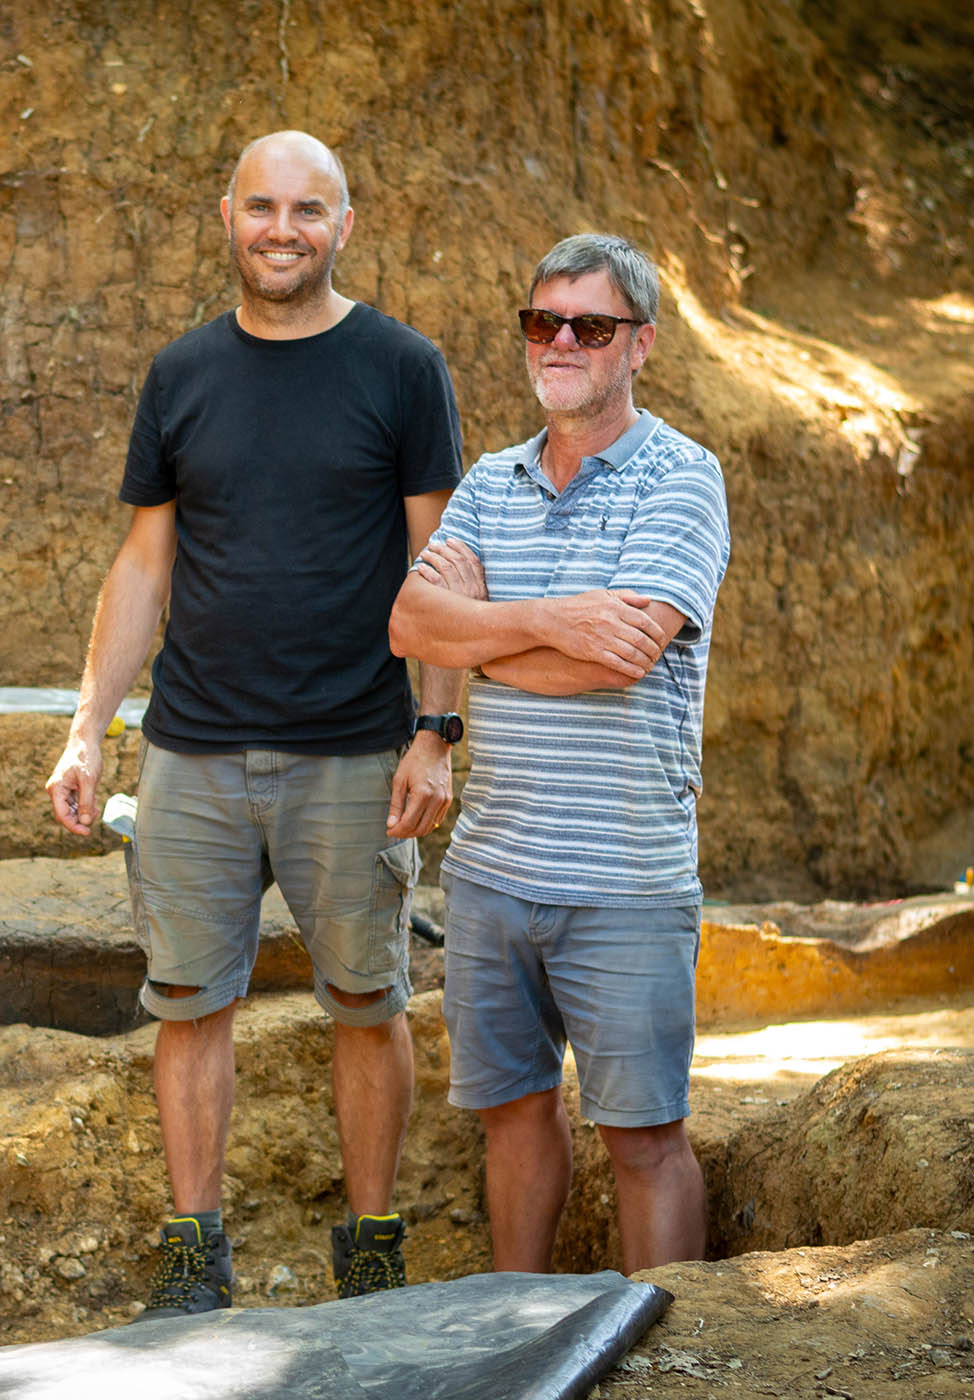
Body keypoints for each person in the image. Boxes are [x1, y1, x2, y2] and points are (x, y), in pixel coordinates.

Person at [45, 130, 465, 1317]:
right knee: (189, 1002)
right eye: (262, 207)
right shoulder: (182, 374)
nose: (283, 230)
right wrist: (90, 727)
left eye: (309, 210)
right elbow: (142, 564)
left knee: (366, 1002)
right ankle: (196, 1256)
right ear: (224, 216)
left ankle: (373, 1249)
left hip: (354, 750)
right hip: (193, 751)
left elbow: (441, 563)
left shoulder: (401, 368)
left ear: (346, 224)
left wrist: (436, 729)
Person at [387, 232, 731, 1275]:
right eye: (546, 322)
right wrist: (557, 618)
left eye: (592, 324)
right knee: (514, 1118)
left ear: (641, 346)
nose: (563, 341)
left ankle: (678, 1358)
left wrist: (486, 636)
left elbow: (617, 658)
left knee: (643, 1138)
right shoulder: (492, 480)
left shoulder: (684, 477)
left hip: (624, 875)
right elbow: (410, 620)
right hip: (494, 872)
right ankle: (517, 1331)